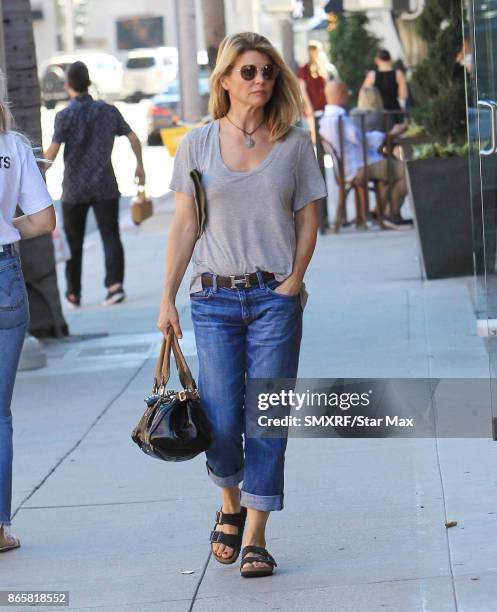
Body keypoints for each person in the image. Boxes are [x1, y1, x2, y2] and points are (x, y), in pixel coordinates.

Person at [157, 32, 327, 577]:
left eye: (268, 72)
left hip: (275, 297)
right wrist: (167, 300)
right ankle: (229, 504)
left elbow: (309, 217)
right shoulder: (198, 144)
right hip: (214, 298)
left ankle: (255, 533)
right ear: (226, 79)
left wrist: (295, 279)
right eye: (249, 71)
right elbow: (184, 225)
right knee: (225, 422)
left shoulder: (294, 142)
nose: (261, 81)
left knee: (268, 420)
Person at [0, 70, 56, 551]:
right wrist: (6, 225)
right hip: (5, 278)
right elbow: (43, 221)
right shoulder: (12, 146)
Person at [44, 61, 145, 307]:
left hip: (74, 189)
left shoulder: (64, 116)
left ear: (68, 85)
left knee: (74, 242)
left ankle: (73, 293)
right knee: (110, 236)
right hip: (105, 185)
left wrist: (32, 173)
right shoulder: (108, 111)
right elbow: (133, 137)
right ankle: (115, 286)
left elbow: (52, 154)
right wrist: (140, 166)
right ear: (88, 82)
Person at [319, 81, 411, 229]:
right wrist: (390, 134)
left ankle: (379, 212)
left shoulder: (324, 120)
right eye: (346, 93)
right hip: (360, 166)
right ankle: (390, 214)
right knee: (407, 170)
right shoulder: (340, 118)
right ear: (341, 95)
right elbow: (360, 139)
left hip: (348, 168)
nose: (349, 96)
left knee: (392, 171)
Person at [298, 39, 337, 232]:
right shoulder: (305, 69)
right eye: (310, 50)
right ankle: (323, 219)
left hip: (326, 110)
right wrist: (310, 111)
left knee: (328, 147)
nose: (312, 53)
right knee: (317, 150)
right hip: (314, 111)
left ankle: (331, 217)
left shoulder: (325, 67)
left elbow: (330, 87)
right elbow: (303, 91)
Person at [361, 49, 408, 125]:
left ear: (377, 60)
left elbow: (364, 94)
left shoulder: (372, 75)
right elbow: (403, 96)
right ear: (390, 59)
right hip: (395, 110)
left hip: (378, 112)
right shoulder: (398, 74)